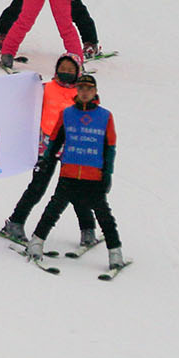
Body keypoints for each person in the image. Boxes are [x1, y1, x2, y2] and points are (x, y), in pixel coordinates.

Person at [23, 73, 125, 272]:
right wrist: (46, 160)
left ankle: (115, 253)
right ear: (77, 91)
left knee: (104, 216)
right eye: (82, 89)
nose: (85, 92)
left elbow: (110, 147)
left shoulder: (105, 116)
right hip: (69, 172)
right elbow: (56, 140)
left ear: (95, 92)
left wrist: (107, 174)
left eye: (89, 89)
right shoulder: (68, 113)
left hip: (93, 175)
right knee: (53, 210)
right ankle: (36, 242)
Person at [0, 55, 96, 246]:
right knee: (38, 187)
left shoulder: (83, 92)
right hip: (46, 147)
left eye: (70, 70)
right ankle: (16, 222)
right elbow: (25, 103)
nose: (66, 73)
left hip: (73, 149)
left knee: (76, 190)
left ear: (78, 72)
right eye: (63, 69)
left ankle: (88, 230)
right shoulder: (45, 89)